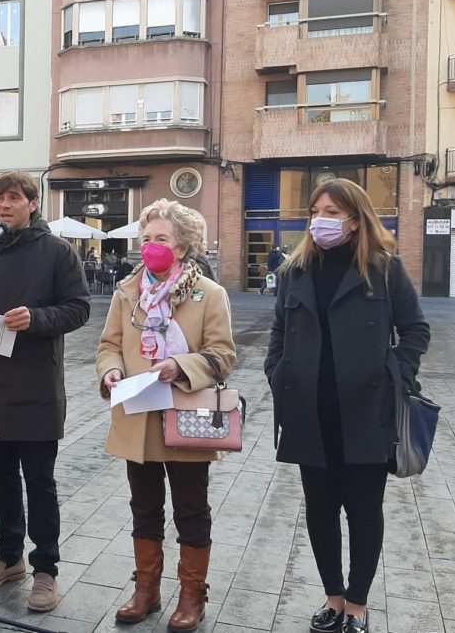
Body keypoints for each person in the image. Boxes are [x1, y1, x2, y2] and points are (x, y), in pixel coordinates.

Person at [265, 179, 429, 633]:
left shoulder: (384, 269)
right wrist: (277, 371)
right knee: (319, 510)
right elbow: (279, 331)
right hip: (308, 411)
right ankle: (333, 598)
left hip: (365, 411)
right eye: (316, 210)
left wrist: (395, 375)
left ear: (355, 220)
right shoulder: (296, 270)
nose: (321, 219)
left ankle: (357, 604)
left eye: (332, 212)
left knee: (363, 510)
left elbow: (416, 330)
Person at [0, 171, 91, 612]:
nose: (4, 206)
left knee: (40, 483)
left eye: (13, 198)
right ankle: (9, 558)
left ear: (32, 202)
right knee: (1, 479)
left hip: (37, 386)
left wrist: (38, 319)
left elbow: (79, 308)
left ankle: (45, 568)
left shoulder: (57, 252)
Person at [94, 200, 234, 628]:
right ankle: (146, 590)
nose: (151, 246)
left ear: (185, 245)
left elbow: (223, 355)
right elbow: (108, 346)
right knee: (144, 507)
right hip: (138, 416)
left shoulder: (208, 294)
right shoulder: (127, 291)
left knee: (191, 509)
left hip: (185, 417)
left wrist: (182, 366)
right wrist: (112, 369)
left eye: (162, 239)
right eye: (147, 238)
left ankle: (192, 596)